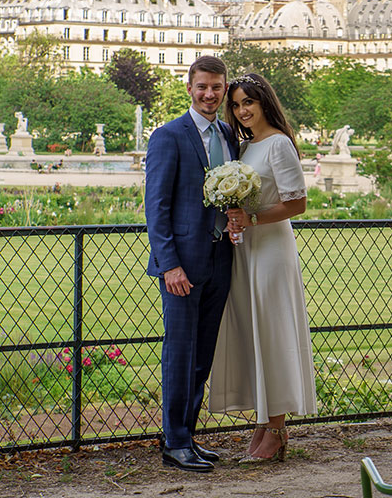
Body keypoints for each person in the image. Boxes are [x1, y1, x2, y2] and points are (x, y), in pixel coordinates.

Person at [210, 72, 316, 463]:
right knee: (252, 332)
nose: (242, 111)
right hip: (246, 248)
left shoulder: (279, 145)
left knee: (271, 331)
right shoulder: (244, 147)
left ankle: (275, 427)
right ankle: (266, 422)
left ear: (264, 102)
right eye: (236, 105)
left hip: (271, 247)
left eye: (248, 103)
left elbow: (297, 203)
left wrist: (251, 220)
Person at [144, 55, 239, 473]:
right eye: (202, 86)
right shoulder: (168, 136)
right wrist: (170, 265)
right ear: (189, 87)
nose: (209, 94)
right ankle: (174, 442)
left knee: (202, 356)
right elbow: (157, 207)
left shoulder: (227, 134)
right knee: (179, 354)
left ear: (223, 88)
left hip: (221, 259)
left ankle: (188, 437)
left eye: (216, 87)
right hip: (181, 267)